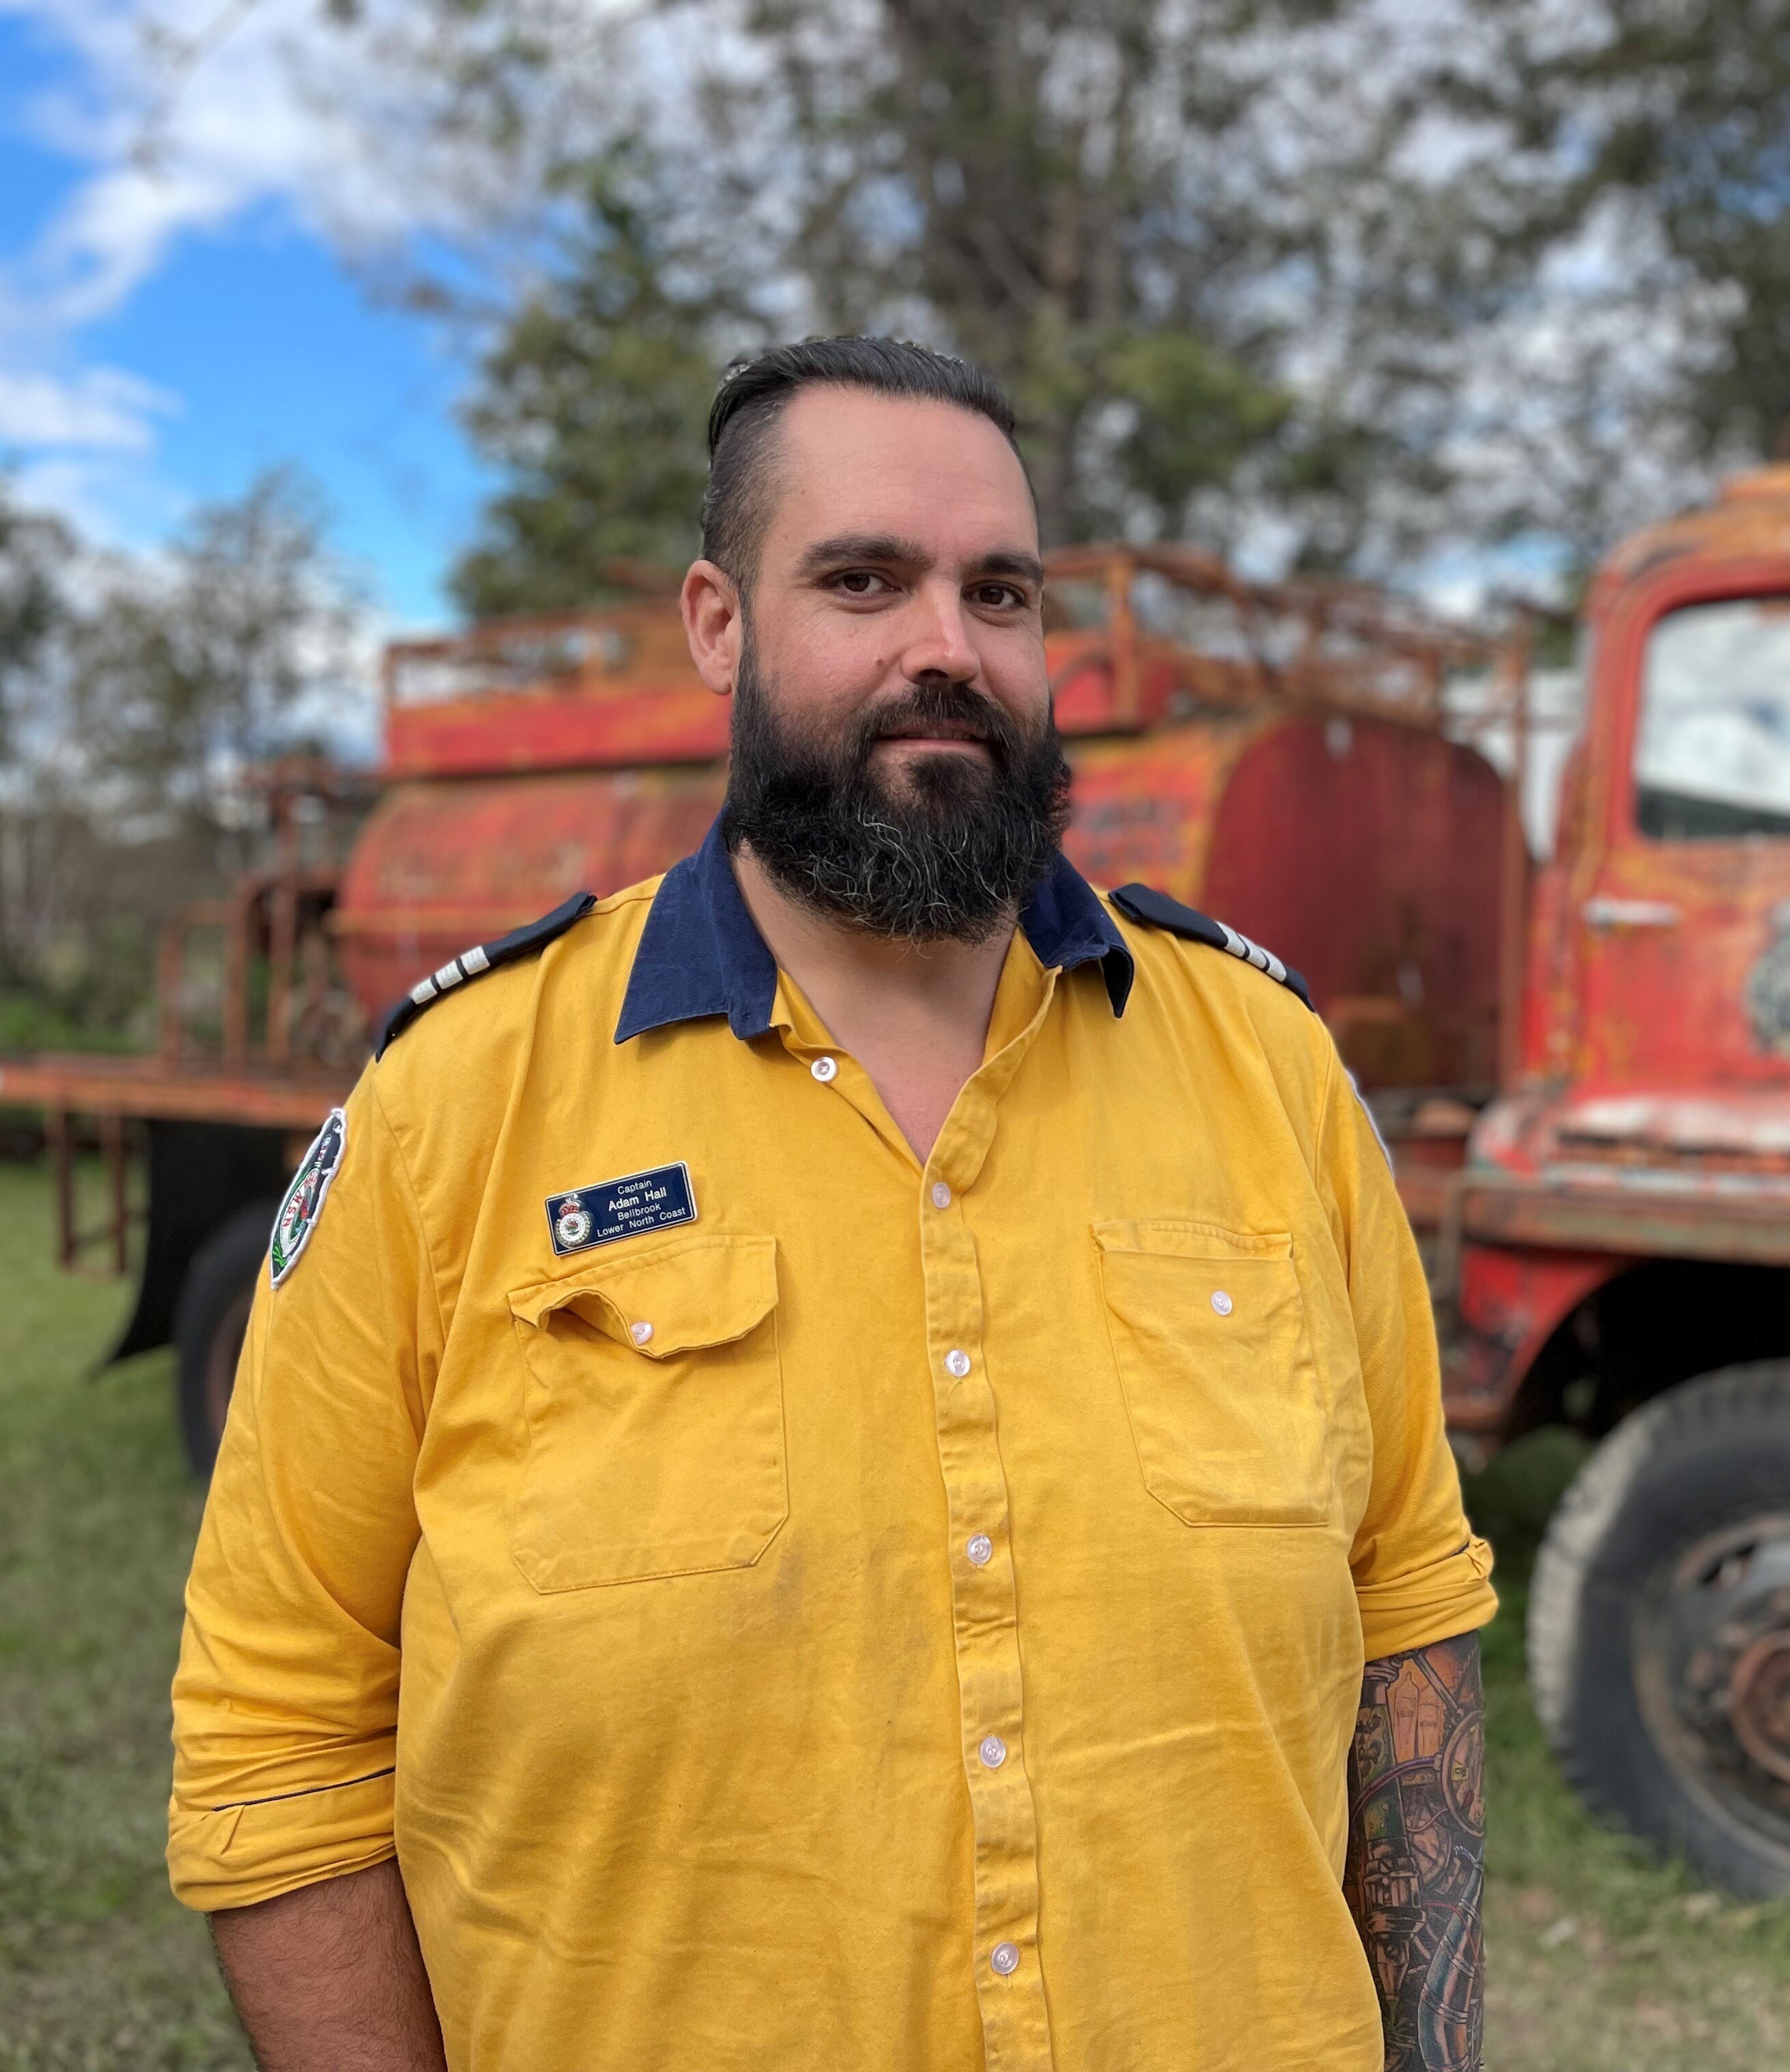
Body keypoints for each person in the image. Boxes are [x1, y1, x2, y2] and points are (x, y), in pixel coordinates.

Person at [168, 335, 1496, 2071]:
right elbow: (280, 1722)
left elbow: (1407, 1604)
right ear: (720, 623)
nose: (947, 647)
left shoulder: (1272, 1071)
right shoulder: (456, 1106)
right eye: (864, 581)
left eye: (999, 593)